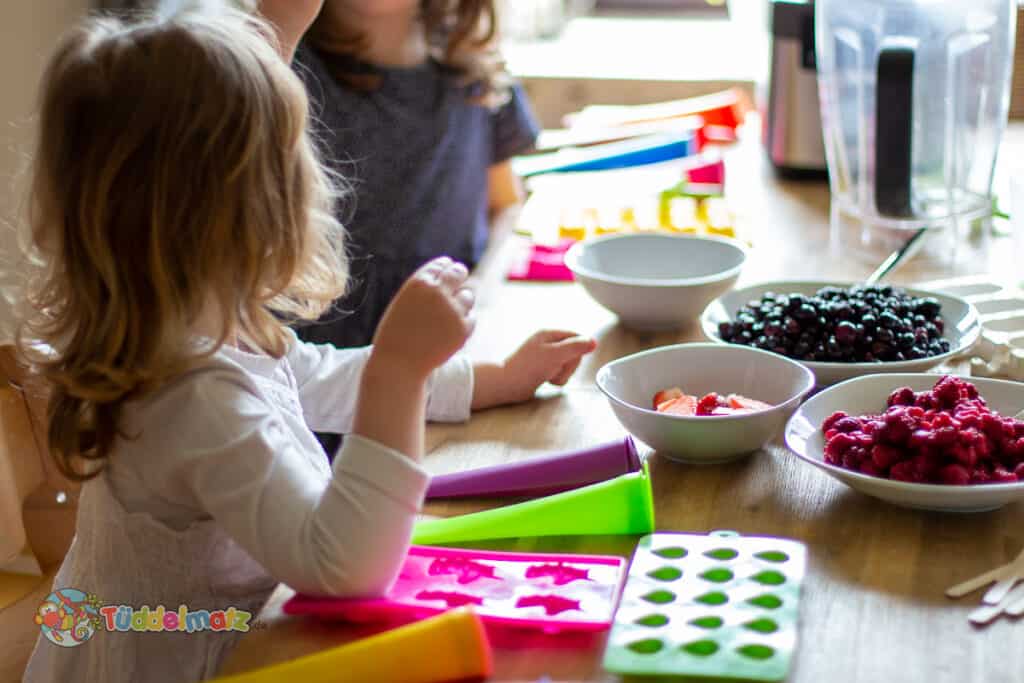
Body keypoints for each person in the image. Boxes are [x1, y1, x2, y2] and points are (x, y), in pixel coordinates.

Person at [21, 8, 593, 682]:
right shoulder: (189, 394)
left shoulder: (197, 327)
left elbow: (320, 376)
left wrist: (492, 376)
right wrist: (400, 371)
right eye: (292, 159)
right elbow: (344, 566)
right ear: (237, 208)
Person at [261, 0, 540, 350]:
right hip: (316, 356)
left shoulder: (474, 65)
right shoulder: (280, 67)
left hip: (445, 340)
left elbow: (506, 204)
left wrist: (481, 285)